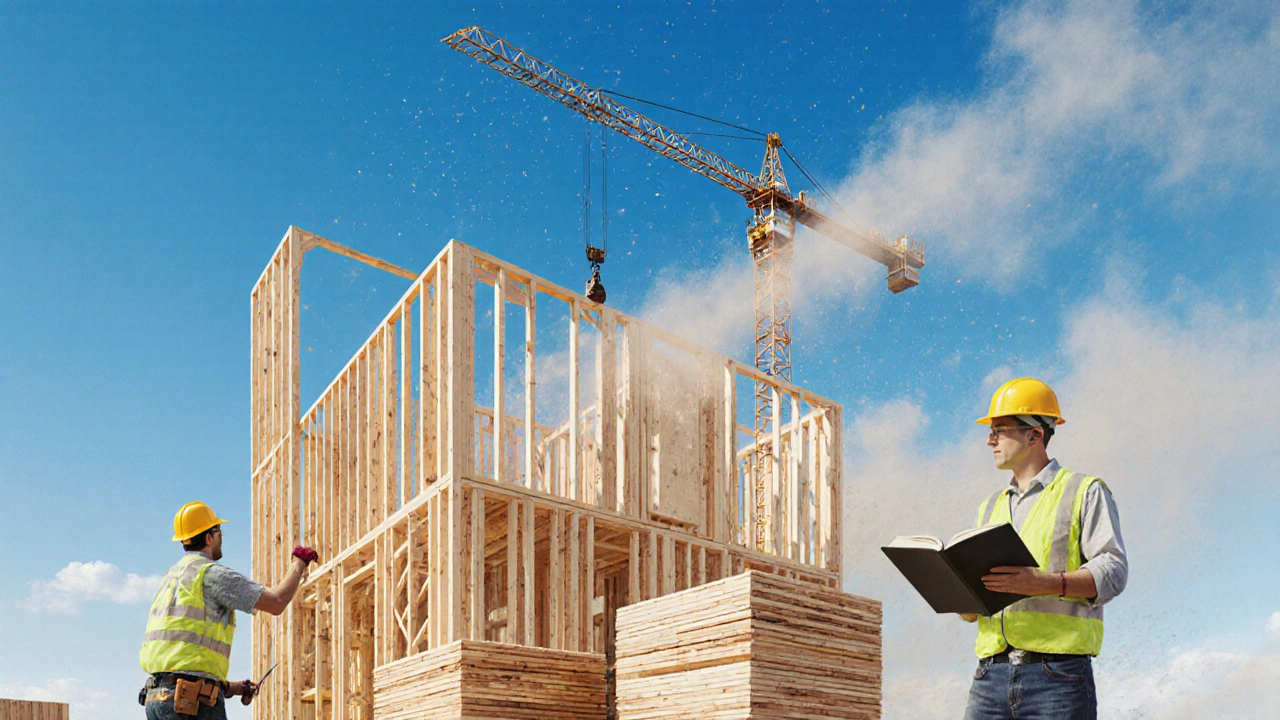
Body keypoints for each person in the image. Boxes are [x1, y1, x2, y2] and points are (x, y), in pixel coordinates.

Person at [960, 378, 1127, 720]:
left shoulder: (1084, 491)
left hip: (1057, 676)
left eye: (1000, 429)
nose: (989, 439)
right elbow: (979, 602)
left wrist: (1046, 583)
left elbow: (1114, 571)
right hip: (989, 675)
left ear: (1034, 435)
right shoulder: (988, 507)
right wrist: (958, 594)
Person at [138, 501, 319, 719]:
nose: (221, 537)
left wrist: (232, 687)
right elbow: (277, 602)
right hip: (190, 704)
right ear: (208, 537)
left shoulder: (171, 578)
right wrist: (299, 563)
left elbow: (183, 660)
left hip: (158, 700)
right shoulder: (212, 575)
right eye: (219, 531)